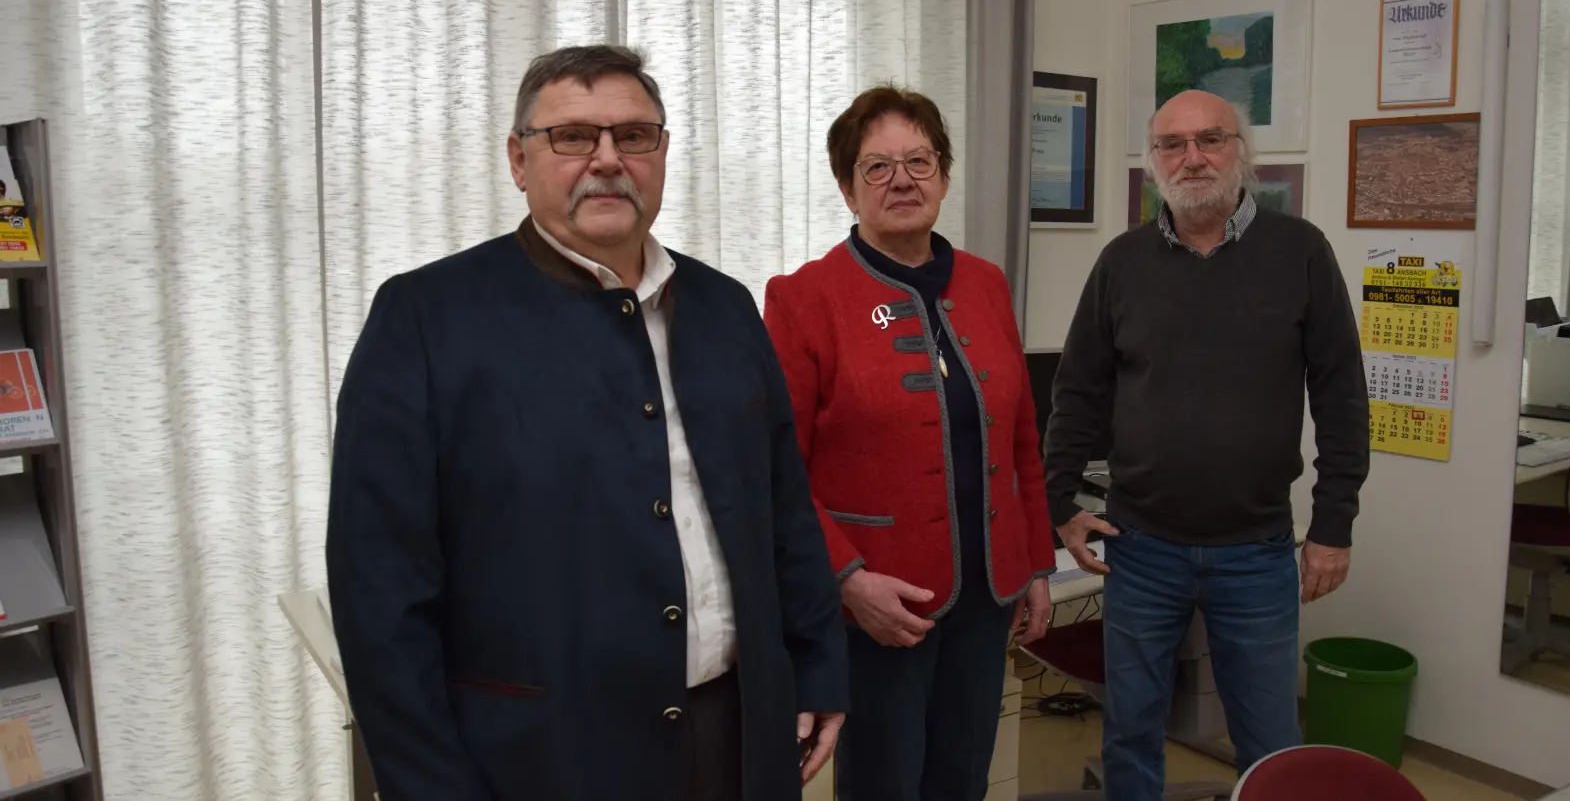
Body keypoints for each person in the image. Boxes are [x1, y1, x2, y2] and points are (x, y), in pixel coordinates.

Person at [326, 44, 850, 801]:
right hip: (541, 759)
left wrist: (819, 663)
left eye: (633, 136)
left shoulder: (726, 307)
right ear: (518, 158)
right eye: (573, 136)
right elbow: (380, 594)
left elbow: (784, 512)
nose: (607, 159)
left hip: (740, 736)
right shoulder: (425, 319)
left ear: (661, 152)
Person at [1044, 89, 1370, 797]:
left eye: (1210, 139)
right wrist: (1060, 502)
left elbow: (1343, 397)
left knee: (1270, 739)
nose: (1192, 157)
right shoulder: (1122, 263)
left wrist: (1333, 525)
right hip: (1140, 546)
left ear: (1240, 153)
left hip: (1255, 549)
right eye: (1172, 144)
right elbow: (1077, 392)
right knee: (1131, 730)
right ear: (1153, 163)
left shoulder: (1301, 252)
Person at [763, 86, 1057, 801]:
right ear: (846, 188)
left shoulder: (986, 284)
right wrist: (847, 580)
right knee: (884, 786)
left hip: (987, 601)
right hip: (880, 609)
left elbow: (1020, 439)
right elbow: (775, 471)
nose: (902, 180)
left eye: (920, 161)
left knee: (962, 778)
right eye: (877, 167)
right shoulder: (805, 298)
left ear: (945, 176)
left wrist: (1034, 562)